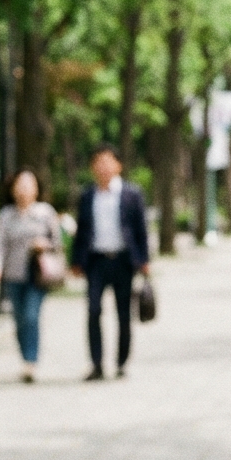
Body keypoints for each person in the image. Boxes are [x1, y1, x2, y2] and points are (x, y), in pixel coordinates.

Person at [70, 145, 150, 381]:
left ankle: (121, 362)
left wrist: (144, 260)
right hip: (96, 260)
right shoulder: (87, 195)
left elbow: (141, 230)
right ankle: (96, 363)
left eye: (107, 162)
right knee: (93, 310)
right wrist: (76, 261)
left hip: (124, 260)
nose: (103, 167)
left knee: (124, 314)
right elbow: (82, 230)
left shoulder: (131, 194)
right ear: (92, 167)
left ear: (118, 165)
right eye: (98, 162)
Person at [0, 169, 62, 384]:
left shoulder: (45, 213)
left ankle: (31, 361)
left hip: (37, 275)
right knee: (19, 319)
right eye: (21, 184)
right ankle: (25, 357)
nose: (25, 189)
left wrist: (43, 244)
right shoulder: (6, 215)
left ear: (36, 189)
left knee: (31, 316)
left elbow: (58, 243)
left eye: (29, 184)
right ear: (13, 188)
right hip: (13, 274)